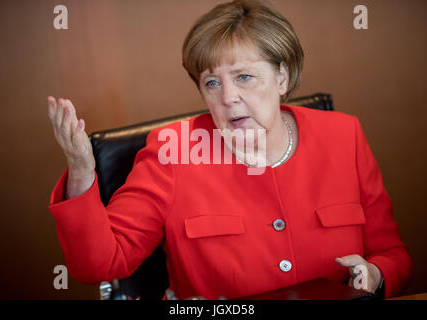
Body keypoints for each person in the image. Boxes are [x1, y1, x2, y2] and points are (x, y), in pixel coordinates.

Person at [47, 0, 412, 299]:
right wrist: (81, 171)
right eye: (212, 83)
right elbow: (99, 265)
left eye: (244, 77)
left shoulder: (343, 135)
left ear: (282, 78)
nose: (228, 97)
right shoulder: (173, 152)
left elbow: (393, 255)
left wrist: (376, 274)